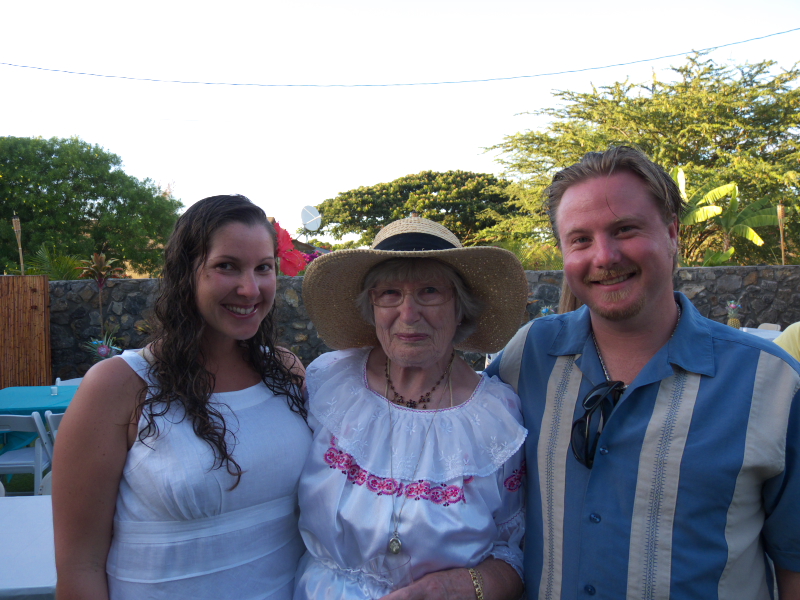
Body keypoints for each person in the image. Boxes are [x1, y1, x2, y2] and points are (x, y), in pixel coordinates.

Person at [485, 146, 800, 599]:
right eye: (580, 240)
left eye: (625, 230)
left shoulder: (772, 385)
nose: (605, 256)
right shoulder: (528, 357)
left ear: (671, 233)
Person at [52, 195, 312, 600]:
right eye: (226, 266)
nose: (250, 288)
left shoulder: (286, 372)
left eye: (263, 267)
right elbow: (79, 567)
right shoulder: (118, 386)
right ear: (185, 273)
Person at [295, 216, 529, 599]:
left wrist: (450, 588)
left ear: (460, 307)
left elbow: (513, 552)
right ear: (371, 307)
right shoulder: (330, 382)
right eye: (389, 293)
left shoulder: (496, 418)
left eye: (429, 291)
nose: (408, 314)